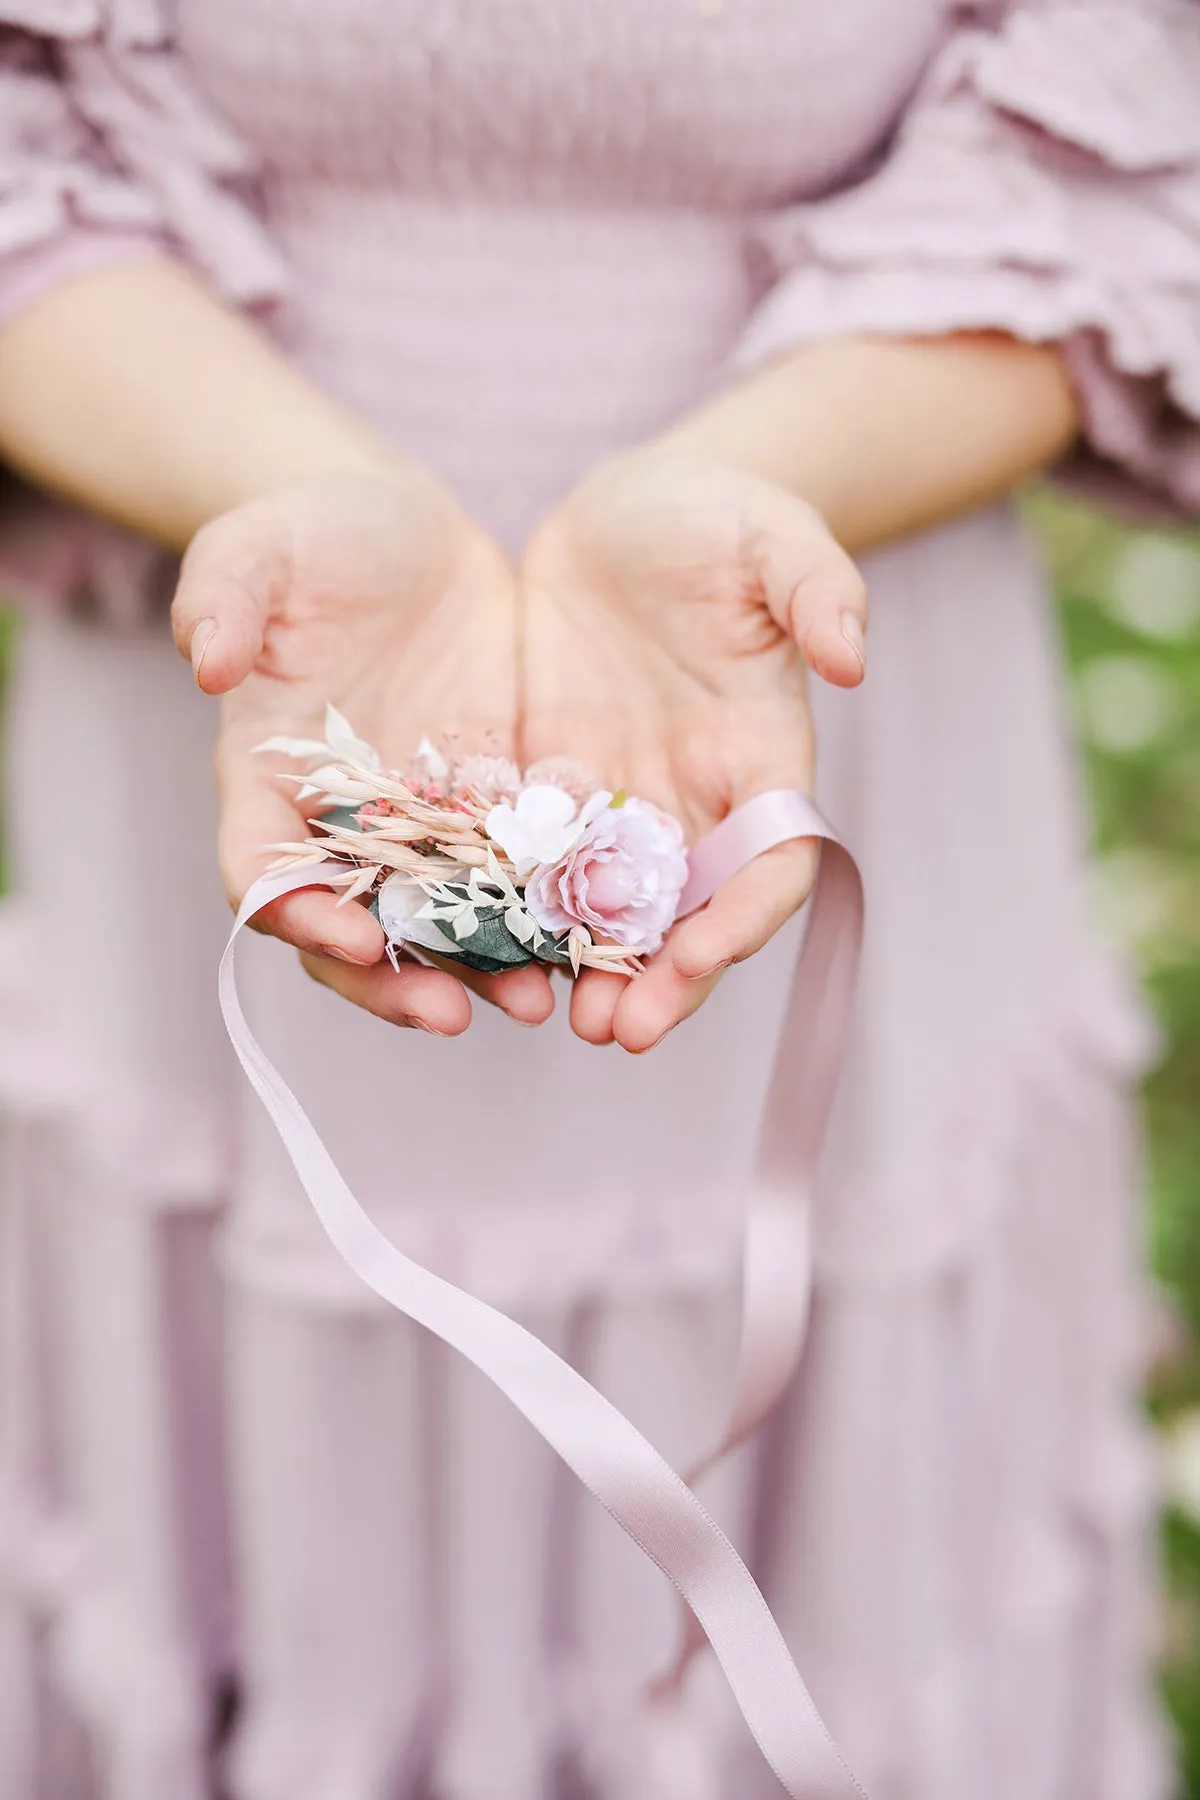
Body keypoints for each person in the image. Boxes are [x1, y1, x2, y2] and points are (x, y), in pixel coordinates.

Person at [0, 2, 1194, 1795]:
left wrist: (774, 476)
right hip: (237, 670)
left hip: (812, 674)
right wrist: (270, 477)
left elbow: (1137, 124)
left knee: (848, 1557)